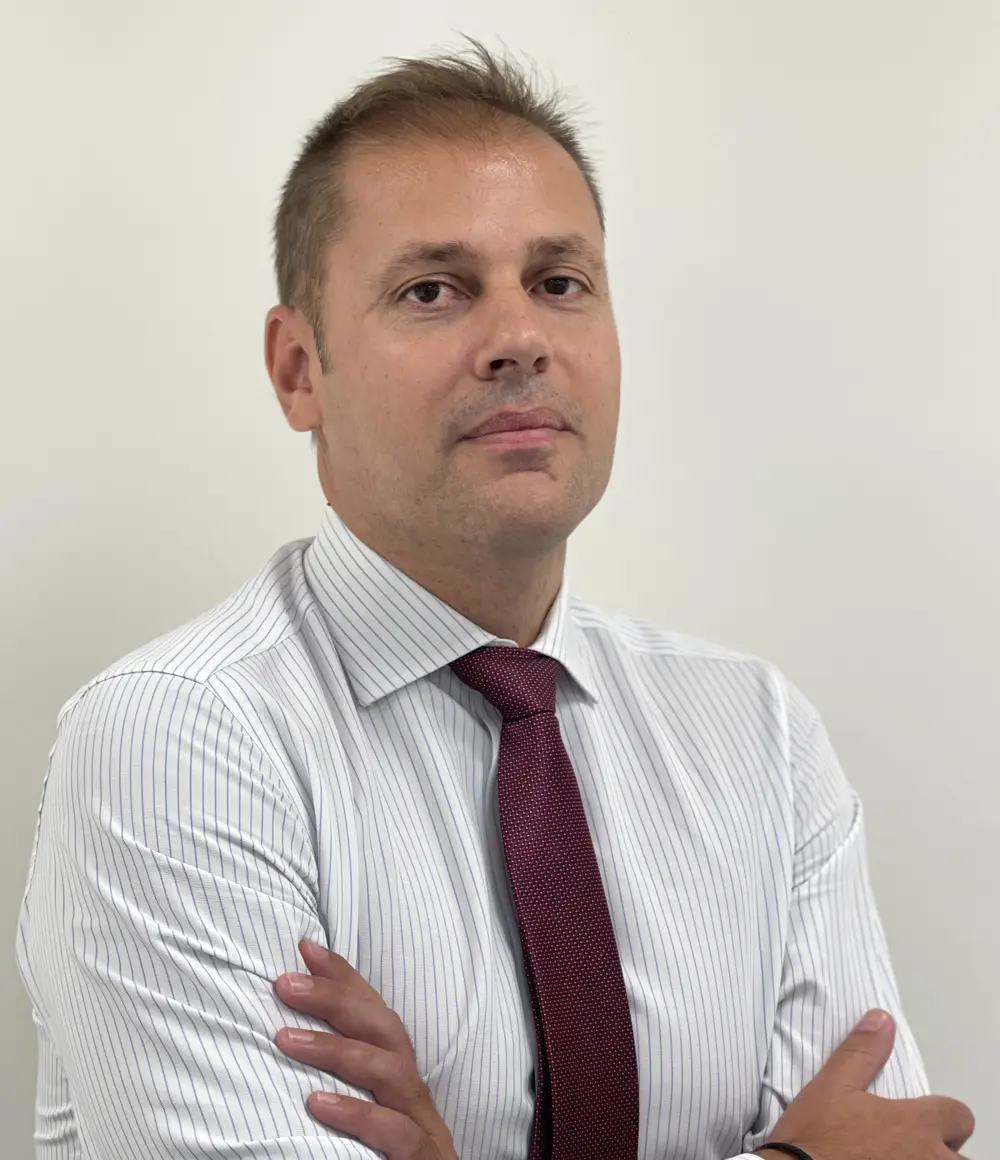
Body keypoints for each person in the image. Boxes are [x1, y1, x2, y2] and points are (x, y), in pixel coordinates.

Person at [15, 36, 974, 1160]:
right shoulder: (181, 737)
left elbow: (890, 1141)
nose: (519, 339)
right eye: (433, 290)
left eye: (559, 283)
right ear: (298, 370)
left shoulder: (758, 737)